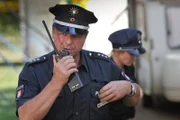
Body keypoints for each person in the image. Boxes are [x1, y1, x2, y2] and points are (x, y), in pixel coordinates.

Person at [15, 4, 141, 120]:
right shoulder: (34, 70)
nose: (68, 42)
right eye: (62, 33)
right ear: (53, 32)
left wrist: (129, 88)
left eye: (76, 36)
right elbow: (25, 117)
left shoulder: (104, 65)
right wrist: (56, 82)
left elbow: (135, 98)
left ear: (85, 37)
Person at [108, 28, 146, 120]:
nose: (135, 57)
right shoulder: (105, 69)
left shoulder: (129, 67)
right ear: (118, 51)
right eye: (131, 53)